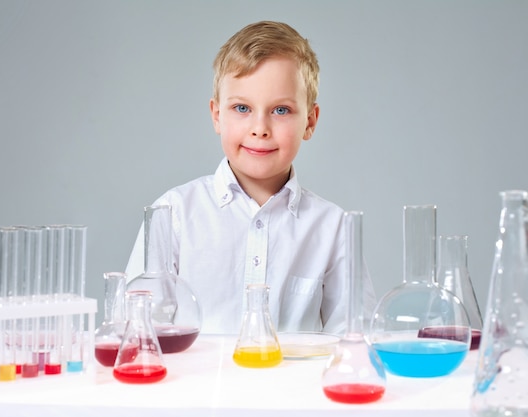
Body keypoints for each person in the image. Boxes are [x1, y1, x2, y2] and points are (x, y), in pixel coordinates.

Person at [125, 20, 376, 335]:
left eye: (281, 110)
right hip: (195, 385)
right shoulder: (172, 214)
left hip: (294, 385)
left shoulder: (334, 227)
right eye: (242, 108)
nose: (260, 128)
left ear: (310, 122)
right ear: (217, 115)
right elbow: (137, 332)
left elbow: (354, 337)